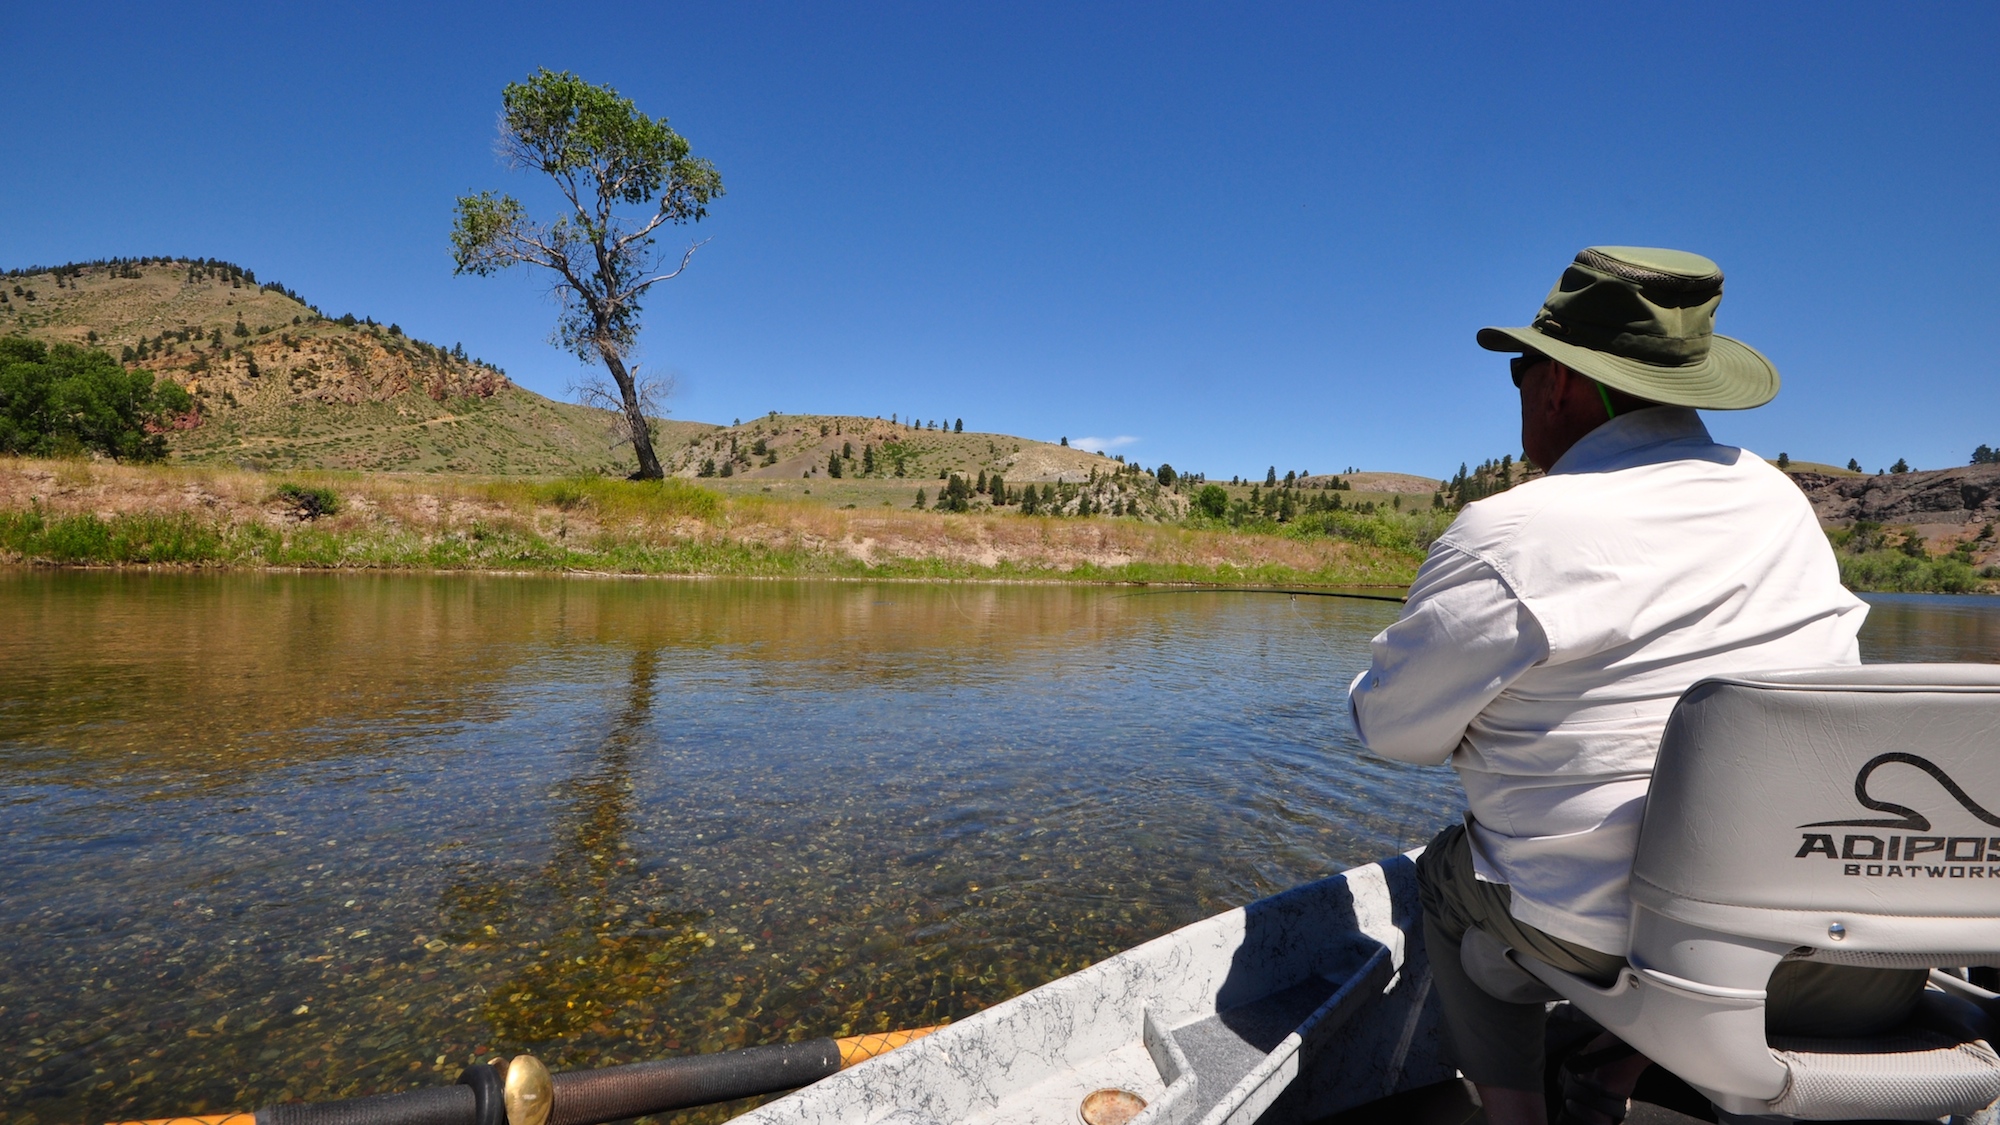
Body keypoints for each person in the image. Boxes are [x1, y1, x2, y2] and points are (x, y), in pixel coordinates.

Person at [1346, 247, 1923, 1125]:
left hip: (1634, 946)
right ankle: (1616, 1071)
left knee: (1442, 876)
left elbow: (1390, 730)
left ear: (1563, 387)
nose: (1521, 393)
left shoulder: (1511, 533)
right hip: (1844, 948)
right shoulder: (1780, 504)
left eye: (1521, 369)